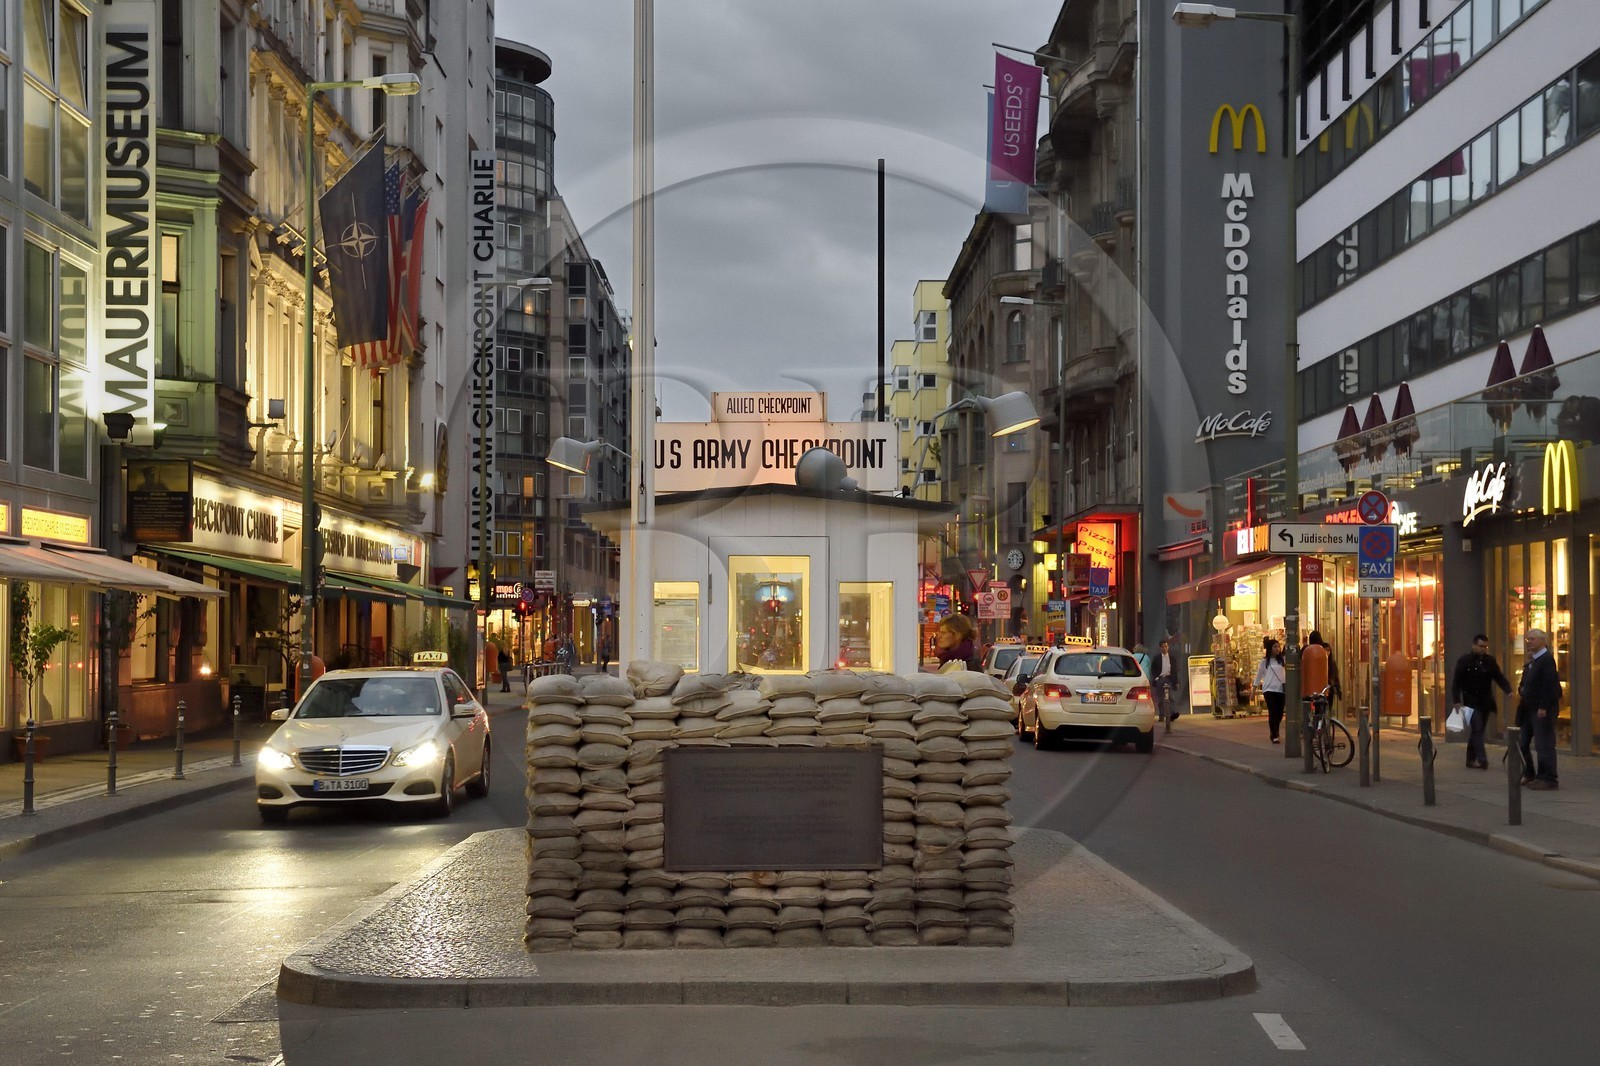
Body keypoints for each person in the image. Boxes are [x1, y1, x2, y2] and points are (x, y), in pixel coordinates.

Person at [1450, 633, 1512, 770]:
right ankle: (1482, 759)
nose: (1483, 649)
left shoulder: (1489, 661)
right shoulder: (1464, 661)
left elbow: (1498, 677)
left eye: (1485, 646)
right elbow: (1456, 682)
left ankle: (1470, 759)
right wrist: (1456, 701)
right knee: (1477, 728)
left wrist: (1508, 690)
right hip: (1470, 702)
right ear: (1474, 645)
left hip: (1485, 701)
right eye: (1480, 646)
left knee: (1478, 730)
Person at [1515, 627, 1562, 789]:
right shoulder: (1532, 662)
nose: (1529, 642)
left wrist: (1544, 706)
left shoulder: (1546, 660)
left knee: (1544, 744)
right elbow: (1526, 683)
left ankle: (1548, 777)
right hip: (1528, 708)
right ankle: (1530, 773)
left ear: (1542, 641)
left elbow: (1550, 685)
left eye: (1532, 639)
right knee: (1523, 743)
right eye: (1528, 639)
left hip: (1541, 709)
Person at [1254, 637, 1287, 743]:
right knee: (1272, 712)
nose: (1277, 649)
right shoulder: (1264, 662)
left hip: (1281, 690)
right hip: (1269, 689)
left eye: (1278, 646)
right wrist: (1253, 689)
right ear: (1270, 648)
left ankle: (1275, 731)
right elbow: (1258, 676)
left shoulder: (1283, 660)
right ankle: (1275, 734)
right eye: (1275, 647)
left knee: (1280, 713)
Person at [1149, 638, 1180, 722]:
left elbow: (1175, 670)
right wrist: (1156, 677)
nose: (1164, 648)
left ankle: (1172, 713)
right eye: (1163, 647)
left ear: (1168, 647)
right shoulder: (1157, 658)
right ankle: (1161, 715)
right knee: (1161, 698)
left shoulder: (1172, 657)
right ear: (1160, 648)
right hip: (1160, 679)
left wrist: (1176, 682)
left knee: (1171, 697)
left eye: (1166, 646)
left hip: (1169, 679)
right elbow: (1153, 668)